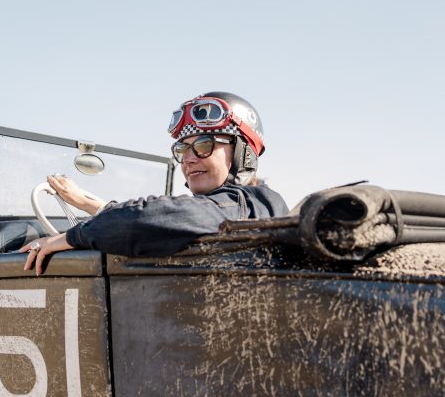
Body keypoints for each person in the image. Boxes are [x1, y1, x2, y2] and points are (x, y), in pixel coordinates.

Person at [21, 91, 289, 274]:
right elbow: (167, 217)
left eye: (204, 146)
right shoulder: (234, 208)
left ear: (243, 154)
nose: (189, 159)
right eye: (182, 150)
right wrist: (88, 204)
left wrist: (69, 237)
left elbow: (148, 220)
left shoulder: (255, 203)